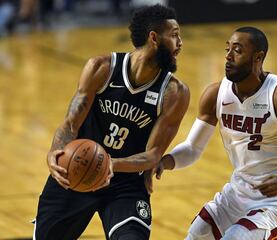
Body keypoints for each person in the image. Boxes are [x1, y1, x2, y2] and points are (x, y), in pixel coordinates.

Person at [156, 26, 277, 240]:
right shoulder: (215, 94)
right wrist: (163, 162)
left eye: (238, 51)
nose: (228, 57)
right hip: (237, 193)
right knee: (197, 234)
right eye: (227, 49)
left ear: (258, 57)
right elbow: (193, 148)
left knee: (236, 237)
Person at [33, 4, 189, 240]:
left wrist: (109, 165)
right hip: (75, 172)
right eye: (175, 35)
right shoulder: (102, 68)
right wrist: (56, 151)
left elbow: (153, 155)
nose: (180, 43)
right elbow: (70, 125)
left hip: (125, 185)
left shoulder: (174, 92)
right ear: (154, 38)